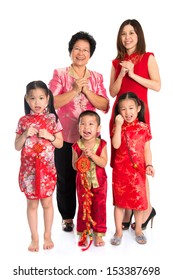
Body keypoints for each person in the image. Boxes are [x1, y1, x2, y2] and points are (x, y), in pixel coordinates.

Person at [49, 31, 109, 232]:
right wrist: (74, 90)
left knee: (92, 180)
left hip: (90, 140)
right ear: (70, 51)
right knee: (65, 178)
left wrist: (87, 91)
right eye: (77, 49)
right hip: (65, 137)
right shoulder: (60, 74)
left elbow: (105, 105)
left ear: (90, 54)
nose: (81, 53)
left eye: (86, 50)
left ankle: (90, 217)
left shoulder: (97, 77)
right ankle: (67, 217)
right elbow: (51, 103)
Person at [109, 19, 161, 230]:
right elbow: (113, 92)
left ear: (138, 35)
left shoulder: (148, 58)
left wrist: (133, 74)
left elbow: (157, 85)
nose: (127, 37)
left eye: (131, 33)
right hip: (120, 117)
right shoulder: (115, 62)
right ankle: (127, 208)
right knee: (122, 164)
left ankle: (146, 209)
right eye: (123, 34)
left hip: (138, 115)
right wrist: (122, 72)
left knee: (138, 163)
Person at [15, 80, 63, 252]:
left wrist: (50, 136)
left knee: (47, 203)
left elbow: (59, 143)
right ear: (27, 99)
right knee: (32, 205)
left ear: (47, 98)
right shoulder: (23, 121)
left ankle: (47, 235)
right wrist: (25, 134)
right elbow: (17, 146)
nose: (37, 102)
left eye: (41, 98)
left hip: (47, 169)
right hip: (29, 171)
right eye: (33, 98)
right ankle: (34, 237)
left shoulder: (52, 119)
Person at [111, 92, 155, 245]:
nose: (127, 112)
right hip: (121, 171)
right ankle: (118, 231)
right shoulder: (118, 127)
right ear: (118, 111)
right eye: (123, 109)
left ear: (138, 108)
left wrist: (149, 164)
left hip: (138, 171)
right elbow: (116, 145)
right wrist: (117, 125)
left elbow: (146, 150)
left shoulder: (143, 127)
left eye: (131, 108)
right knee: (119, 203)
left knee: (139, 201)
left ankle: (138, 230)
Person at [72, 110, 107, 249]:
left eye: (91, 124)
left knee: (99, 206)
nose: (86, 127)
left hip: (100, 183)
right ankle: (83, 232)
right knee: (83, 207)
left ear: (98, 128)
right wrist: (82, 157)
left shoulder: (102, 144)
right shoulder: (76, 146)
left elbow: (103, 163)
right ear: (78, 127)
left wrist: (92, 155)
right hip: (82, 184)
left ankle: (99, 232)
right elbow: (74, 166)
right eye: (83, 124)